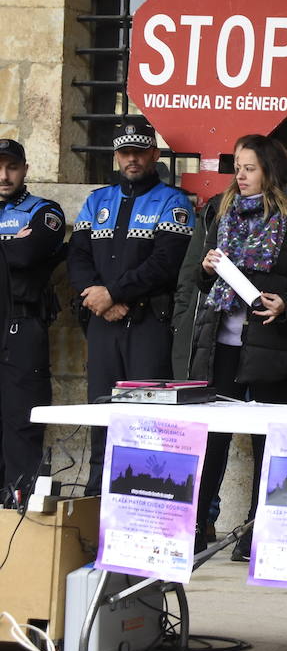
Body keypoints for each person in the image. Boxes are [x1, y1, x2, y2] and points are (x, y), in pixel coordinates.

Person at [188, 135, 287, 558]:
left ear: (270, 169)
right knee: (212, 440)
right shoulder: (221, 213)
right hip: (223, 344)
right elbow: (201, 284)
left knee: (268, 443)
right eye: (238, 168)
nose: (241, 176)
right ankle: (197, 525)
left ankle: (256, 532)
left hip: (271, 346)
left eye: (249, 168)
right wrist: (207, 269)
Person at [68, 120, 194, 493]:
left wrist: (115, 294)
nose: (132, 159)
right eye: (125, 152)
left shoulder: (173, 201)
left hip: (148, 323)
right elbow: (76, 256)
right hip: (102, 323)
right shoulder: (96, 200)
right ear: (117, 155)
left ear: (154, 154)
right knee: (101, 414)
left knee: (146, 420)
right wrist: (97, 297)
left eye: (140, 151)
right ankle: (96, 497)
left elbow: (166, 263)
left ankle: (143, 500)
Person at [0, 138, 65, 498]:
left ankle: (17, 512)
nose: (4, 175)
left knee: (22, 424)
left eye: (11, 167)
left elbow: (27, 257)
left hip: (23, 328)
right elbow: (16, 254)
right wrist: (11, 245)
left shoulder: (44, 211)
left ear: (25, 170)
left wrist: (17, 248)